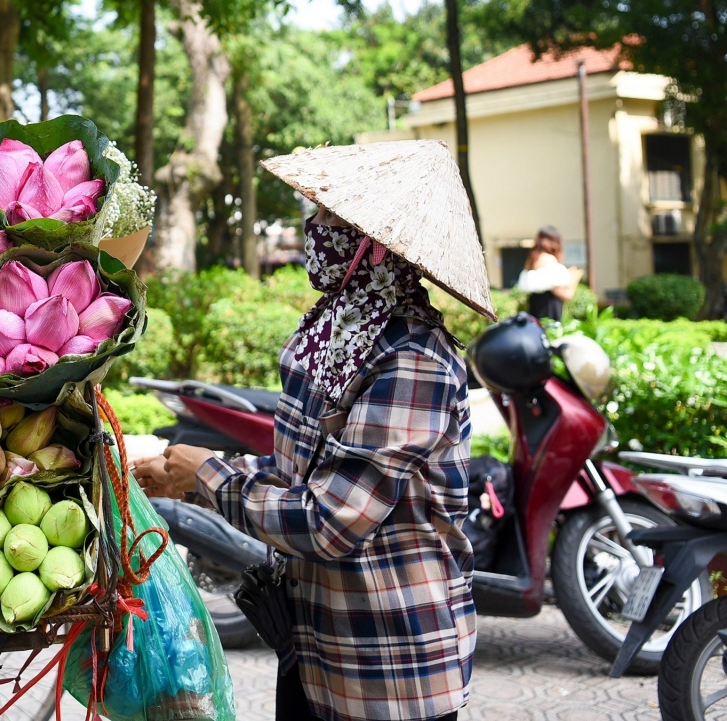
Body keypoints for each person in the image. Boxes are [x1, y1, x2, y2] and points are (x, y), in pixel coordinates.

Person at [133, 141, 491, 721]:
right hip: (312, 648)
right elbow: (299, 478)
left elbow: (329, 520)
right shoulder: (334, 336)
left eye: (331, 218)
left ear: (373, 246)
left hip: (388, 673)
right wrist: (187, 476)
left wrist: (209, 474)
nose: (315, 228)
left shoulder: (412, 359)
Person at [516, 225, 580, 322]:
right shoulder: (548, 259)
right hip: (549, 309)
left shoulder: (534, 260)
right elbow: (561, 292)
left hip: (536, 306)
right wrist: (574, 278)